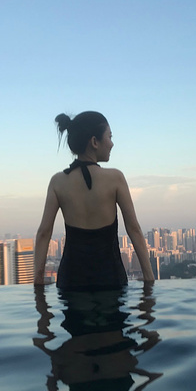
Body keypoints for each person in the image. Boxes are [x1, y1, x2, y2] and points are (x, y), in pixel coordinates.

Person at [34, 111, 154, 289]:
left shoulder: (58, 181)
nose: (112, 143)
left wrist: (38, 280)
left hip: (71, 280)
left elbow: (44, 233)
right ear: (94, 142)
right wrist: (149, 278)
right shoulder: (115, 178)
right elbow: (134, 229)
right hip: (110, 278)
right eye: (109, 137)